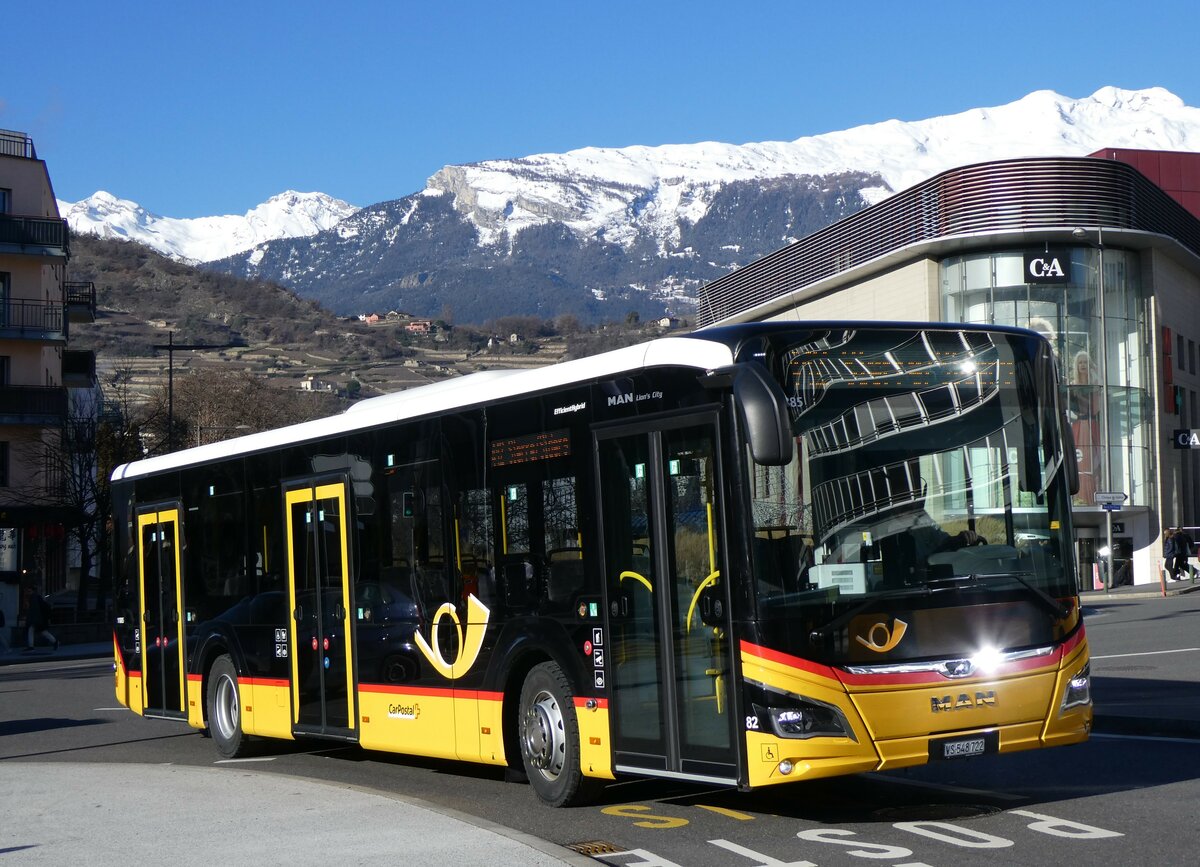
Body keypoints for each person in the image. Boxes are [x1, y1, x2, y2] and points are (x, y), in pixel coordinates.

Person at [23, 584, 58, 652]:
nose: (27, 592)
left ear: (31, 590)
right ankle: (55, 642)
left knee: (38, 631)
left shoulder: (33, 597)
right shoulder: (36, 597)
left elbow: (34, 610)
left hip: (37, 619)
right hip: (40, 619)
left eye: (28, 590)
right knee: (42, 632)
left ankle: (31, 646)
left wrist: (33, 620)